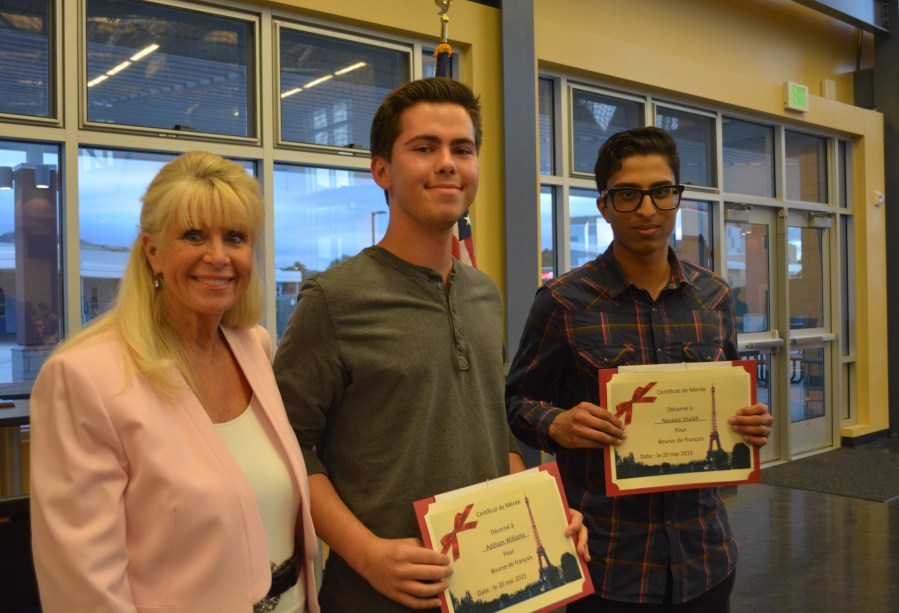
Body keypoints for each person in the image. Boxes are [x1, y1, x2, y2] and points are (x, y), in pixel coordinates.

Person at [273, 77, 587, 612]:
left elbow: (493, 430)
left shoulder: (484, 294)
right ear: (382, 171)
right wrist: (366, 552)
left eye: (462, 149)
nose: (447, 164)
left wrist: (541, 510)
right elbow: (287, 449)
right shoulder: (334, 300)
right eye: (424, 148)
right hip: (377, 597)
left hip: (489, 591)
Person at [29, 151, 319, 613]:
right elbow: (84, 590)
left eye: (235, 237)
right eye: (194, 235)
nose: (218, 256)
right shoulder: (84, 377)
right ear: (152, 251)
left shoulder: (254, 346)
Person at [506, 126, 773, 612]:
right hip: (610, 564)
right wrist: (556, 424)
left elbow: (729, 396)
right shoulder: (563, 302)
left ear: (677, 198)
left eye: (661, 192)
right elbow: (516, 402)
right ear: (604, 205)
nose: (647, 209)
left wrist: (750, 422)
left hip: (705, 558)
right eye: (628, 194)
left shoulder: (713, 297)